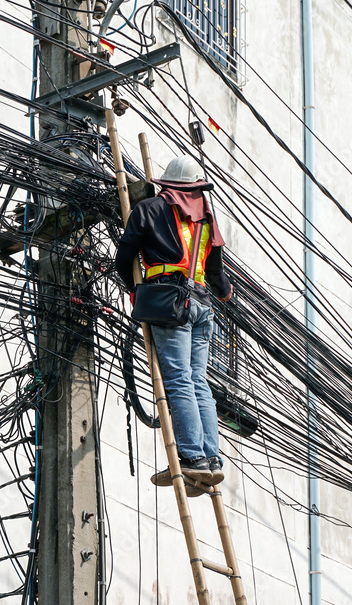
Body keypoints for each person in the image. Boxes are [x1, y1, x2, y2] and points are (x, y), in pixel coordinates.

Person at [115, 155, 233, 493]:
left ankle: (191, 457)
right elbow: (217, 276)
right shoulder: (206, 219)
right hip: (202, 305)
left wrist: (136, 290)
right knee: (198, 382)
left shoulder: (149, 208)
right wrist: (224, 292)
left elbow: (125, 258)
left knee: (179, 380)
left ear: (167, 186)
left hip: (171, 304)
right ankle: (211, 459)